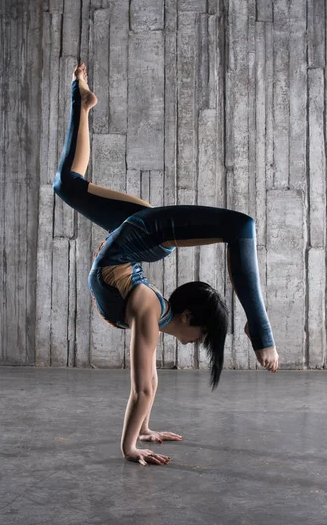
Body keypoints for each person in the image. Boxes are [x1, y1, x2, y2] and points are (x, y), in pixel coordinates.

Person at [53, 62, 280, 467]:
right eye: (203, 334)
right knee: (241, 226)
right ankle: (260, 330)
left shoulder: (154, 314)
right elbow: (141, 389)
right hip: (145, 237)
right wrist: (130, 448)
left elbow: (148, 381)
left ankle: (82, 102)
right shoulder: (147, 307)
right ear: (190, 316)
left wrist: (145, 429)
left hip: (134, 234)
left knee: (66, 186)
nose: (196, 344)